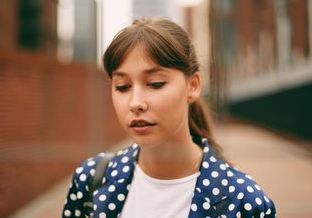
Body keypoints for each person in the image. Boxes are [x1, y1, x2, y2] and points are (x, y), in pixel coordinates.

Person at [62, 17, 276, 218]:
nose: (136, 103)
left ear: (193, 86)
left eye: (155, 84)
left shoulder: (242, 202)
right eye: (122, 87)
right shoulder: (92, 180)